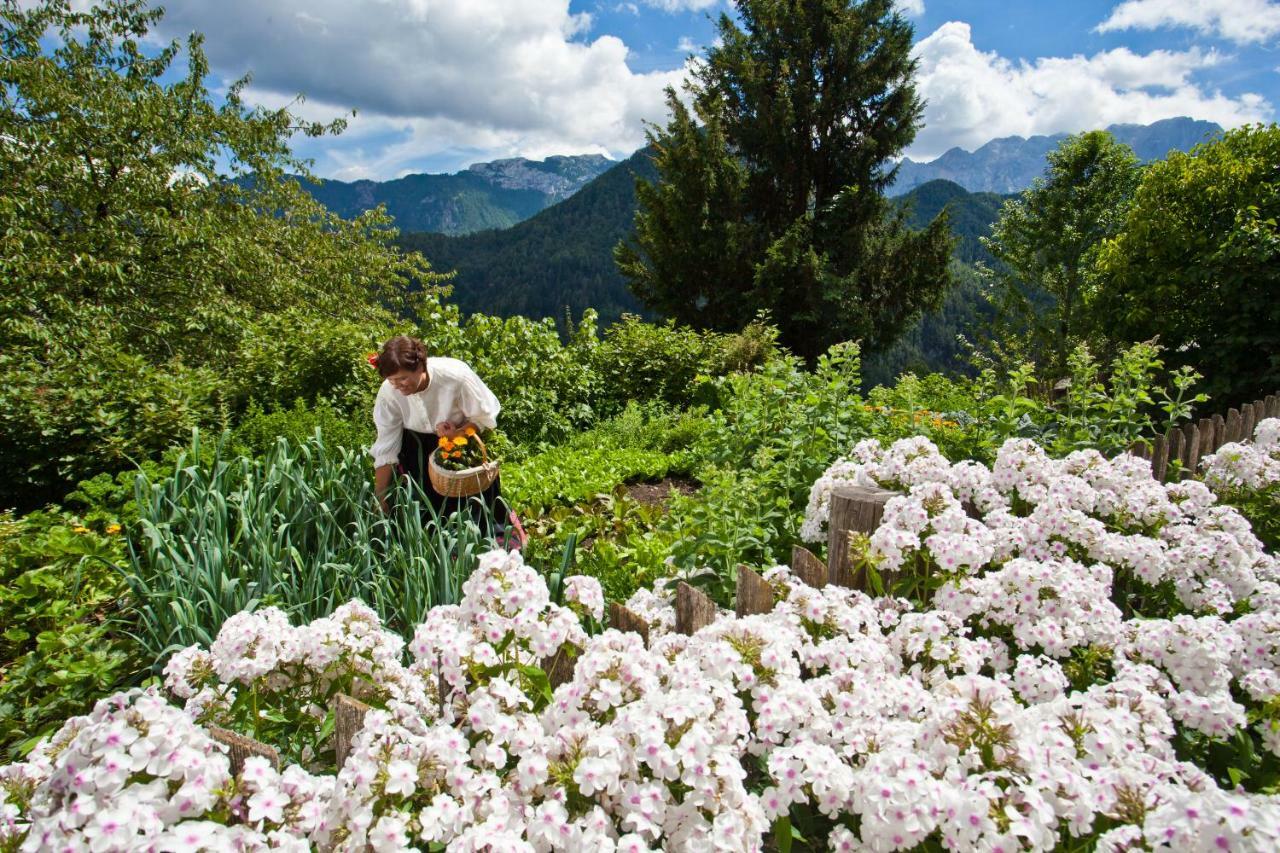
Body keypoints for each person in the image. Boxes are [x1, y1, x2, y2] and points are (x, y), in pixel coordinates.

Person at [369, 335, 513, 540]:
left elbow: (483, 417)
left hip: (461, 447)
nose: (398, 385)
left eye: (402, 378)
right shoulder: (389, 392)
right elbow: (387, 445)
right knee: (429, 524)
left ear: (421, 367)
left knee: (476, 514)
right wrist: (381, 497)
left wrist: (458, 434)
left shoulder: (455, 376)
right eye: (392, 380)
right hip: (415, 450)